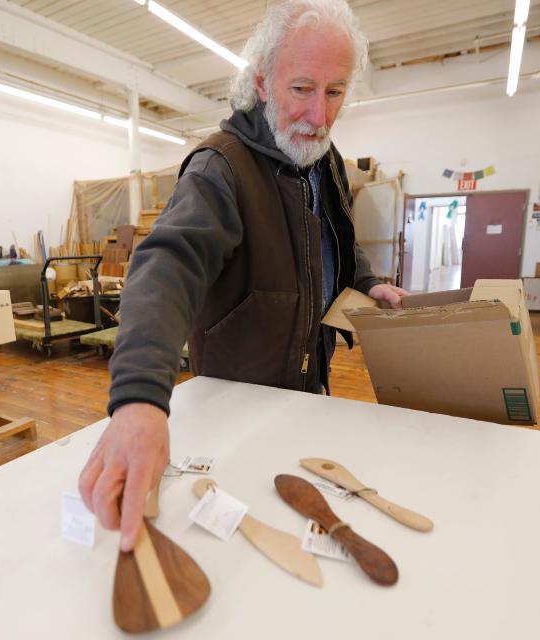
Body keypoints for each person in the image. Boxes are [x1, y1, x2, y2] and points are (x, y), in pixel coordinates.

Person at [79, 0, 408, 551]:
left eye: (335, 92)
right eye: (302, 88)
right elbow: (166, 267)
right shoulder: (220, 168)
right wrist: (138, 398)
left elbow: (334, 241)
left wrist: (367, 278)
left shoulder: (322, 158)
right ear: (260, 81)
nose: (319, 115)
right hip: (235, 409)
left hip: (308, 390)